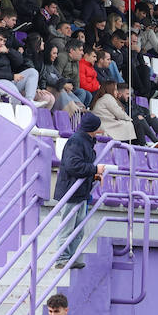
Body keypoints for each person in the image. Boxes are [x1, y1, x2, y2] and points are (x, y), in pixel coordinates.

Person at [53, 112, 106, 269]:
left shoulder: (85, 141)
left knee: (78, 230)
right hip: (71, 192)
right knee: (68, 228)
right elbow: (73, 166)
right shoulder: (77, 141)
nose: (100, 130)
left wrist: (94, 176)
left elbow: (80, 167)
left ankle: (68, 257)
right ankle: (62, 258)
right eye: (97, 127)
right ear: (92, 128)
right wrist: (95, 168)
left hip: (80, 193)